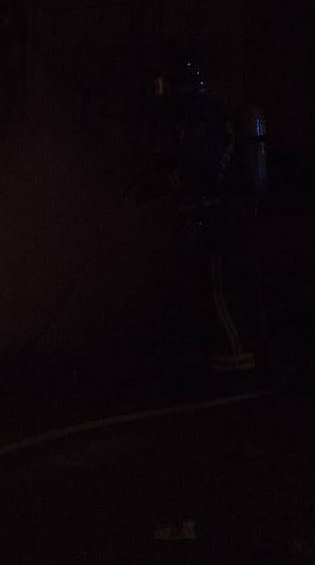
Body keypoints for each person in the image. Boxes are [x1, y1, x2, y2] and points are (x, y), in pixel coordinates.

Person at [137, 47, 269, 395]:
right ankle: (220, 362)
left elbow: (204, 171)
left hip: (214, 219)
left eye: (170, 83)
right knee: (203, 292)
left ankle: (239, 366)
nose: (164, 92)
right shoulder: (201, 118)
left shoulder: (205, 120)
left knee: (216, 293)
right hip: (208, 215)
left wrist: (169, 182)